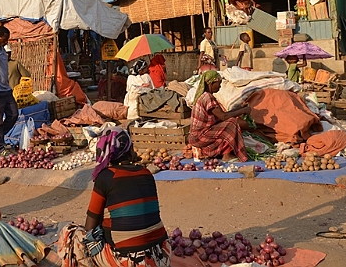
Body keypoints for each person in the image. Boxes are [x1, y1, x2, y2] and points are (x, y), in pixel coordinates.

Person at [58, 127, 170, 267]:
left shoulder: (106, 177)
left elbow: (90, 226)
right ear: (129, 150)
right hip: (161, 256)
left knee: (70, 233)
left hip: (130, 262)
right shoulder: (146, 172)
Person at [187, 70, 250, 162]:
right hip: (199, 136)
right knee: (232, 123)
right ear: (211, 83)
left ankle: (221, 153)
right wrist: (243, 110)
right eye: (218, 83)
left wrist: (240, 109)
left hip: (200, 135)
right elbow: (224, 117)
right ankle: (227, 155)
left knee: (227, 123)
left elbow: (223, 115)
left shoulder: (205, 96)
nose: (220, 86)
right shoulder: (207, 97)